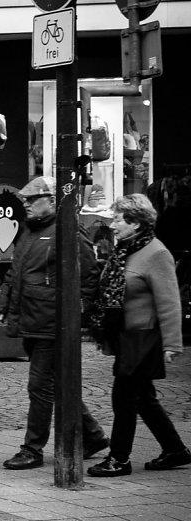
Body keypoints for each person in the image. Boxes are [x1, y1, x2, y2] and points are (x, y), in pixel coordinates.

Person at [0, 176, 110, 470]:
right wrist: (2, 303)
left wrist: (71, 314)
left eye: (32, 200)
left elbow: (89, 276)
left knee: (39, 386)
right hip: (34, 320)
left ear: (51, 200)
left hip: (52, 322)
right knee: (58, 384)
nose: (26, 206)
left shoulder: (67, 230)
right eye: (25, 201)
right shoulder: (30, 233)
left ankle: (32, 448)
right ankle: (93, 436)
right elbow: (15, 273)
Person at [87, 194, 190, 476]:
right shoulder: (126, 250)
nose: (113, 224)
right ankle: (175, 450)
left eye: (118, 219)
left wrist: (172, 344)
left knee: (124, 397)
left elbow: (169, 302)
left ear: (135, 223)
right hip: (127, 337)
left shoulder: (156, 253)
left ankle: (119, 459)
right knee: (144, 398)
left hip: (144, 338)